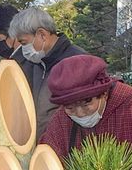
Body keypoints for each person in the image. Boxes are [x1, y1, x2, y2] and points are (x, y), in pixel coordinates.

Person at [8, 7, 86, 136]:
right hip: (42, 147)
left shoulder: (79, 61)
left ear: (42, 35)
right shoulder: (36, 63)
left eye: (24, 42)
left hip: (69, 148)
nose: (23, 49)